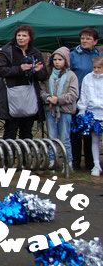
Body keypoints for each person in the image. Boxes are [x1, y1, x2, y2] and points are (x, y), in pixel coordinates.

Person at [0, 25, 47, 138]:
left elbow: (43, 75)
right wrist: (20, 69)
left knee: (27, 131)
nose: (20, 38)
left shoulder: (36, 53)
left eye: (24, 35)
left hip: (30, 96)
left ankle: (25, 150)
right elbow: (1, 71)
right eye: (19, 35)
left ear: (30, 38)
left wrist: (36, 71)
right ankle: (9, 150)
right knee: (10, 131)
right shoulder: (7, 51)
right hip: (10, 95)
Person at [38, 47, 78, 169]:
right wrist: (48, 98)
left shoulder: (71, 75)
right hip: (50, 110)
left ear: (66, 60)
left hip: (65, 111)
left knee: (65, 137)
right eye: (55, 59)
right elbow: (41, 90)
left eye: (60, 59)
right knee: (52, 137)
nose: (57, 62)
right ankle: (52, 160)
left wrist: (59, 99)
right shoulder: (48, 75)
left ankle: (68, 161)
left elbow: (73, 94)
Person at [70, 27, 100, 171]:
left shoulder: (98, 55)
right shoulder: (73, 55)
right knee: (75, 131)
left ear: (95, 41)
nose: (84, 40)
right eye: (82, 38)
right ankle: (75, 161)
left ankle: (91, 163)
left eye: (88, 38)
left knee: (90, 132)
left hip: (94, 100)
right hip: (76, 98)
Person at [77, 56, 103, 176]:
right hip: (92, 113)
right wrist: (82, 110)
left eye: (99, 67)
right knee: (95, 140)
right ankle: (96, 165)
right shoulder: (87, 78)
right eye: (94, 67)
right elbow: (83, 94)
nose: (96, 70)